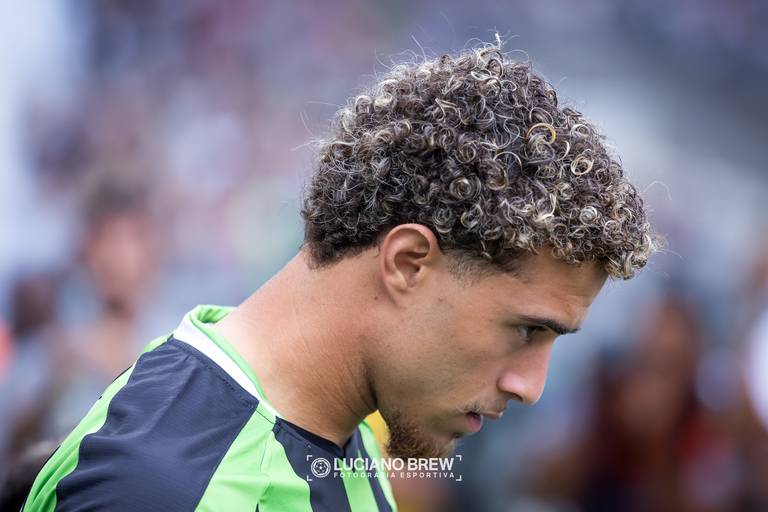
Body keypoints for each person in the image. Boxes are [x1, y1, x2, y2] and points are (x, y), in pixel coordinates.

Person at [23, 43, 657, 511]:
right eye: (526, 330)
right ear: (407, 263)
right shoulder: (167, 487)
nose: (532, 387)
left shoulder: (344, 436)